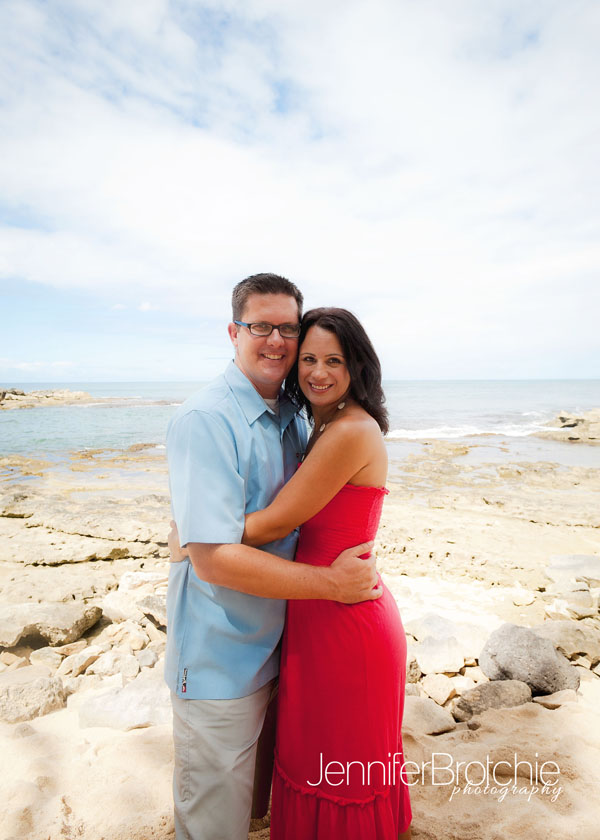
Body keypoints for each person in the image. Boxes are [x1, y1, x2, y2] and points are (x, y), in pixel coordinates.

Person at [171, 306, 413, 839]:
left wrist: (193, 534)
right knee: (319, 762)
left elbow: (279, 520)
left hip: (343, 624)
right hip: (318, 615)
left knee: (338, 771)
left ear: (358, 367)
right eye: (308, 359)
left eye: (334, 359)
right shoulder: (313, 423)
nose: (318, 372)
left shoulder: (348, 431)